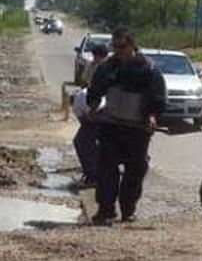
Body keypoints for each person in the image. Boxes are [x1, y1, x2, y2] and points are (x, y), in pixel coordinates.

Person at [85, 28, 165, 225]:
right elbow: (95, 91)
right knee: (106, 170)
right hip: (111, 126)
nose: (118, 51)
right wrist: (93, 107)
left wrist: (152, 117)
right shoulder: (107, 67)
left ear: (132, 45)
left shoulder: (149, 69)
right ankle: (105, 210)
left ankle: (128, 211)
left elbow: (158, 98)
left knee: (134, 172)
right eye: (115, 47)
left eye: (122, 47)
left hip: (137, 129)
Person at [70, 45, 110, 189]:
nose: (95, 58)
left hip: (99, 108)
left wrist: (91, 115)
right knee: (92, 144)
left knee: (82, 142)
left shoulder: (107, 67)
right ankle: (95, 173)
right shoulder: (93, 66)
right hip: (98, 106)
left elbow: (84, 116)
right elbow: (85, 82)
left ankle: (94, 176)